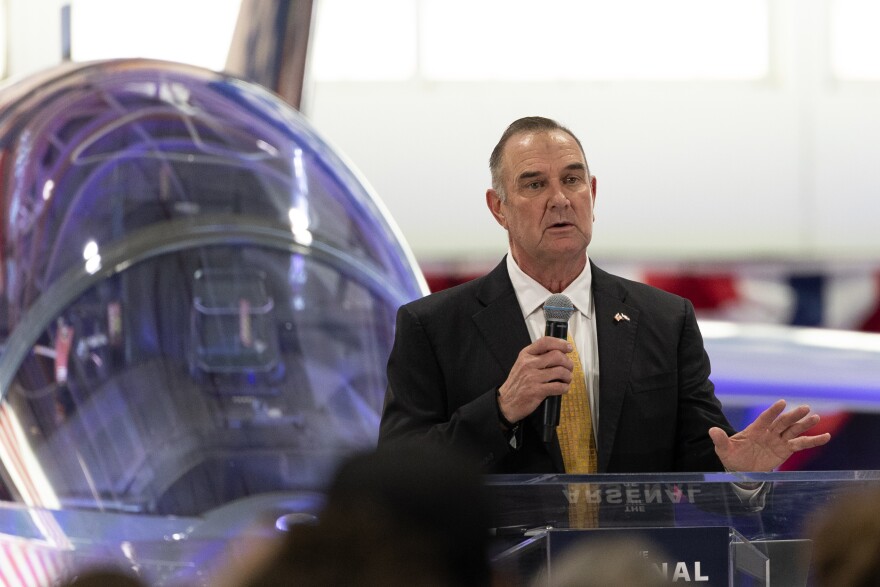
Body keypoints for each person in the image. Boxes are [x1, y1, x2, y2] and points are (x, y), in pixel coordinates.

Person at [378, 116, 830, 475]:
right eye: (535, 184)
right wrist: (500, 409)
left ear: (592, 194)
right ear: (498, 207)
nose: (560, 199)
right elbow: (398, 473)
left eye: (573, 180)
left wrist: (736, 470)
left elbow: (698, 455)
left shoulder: (665, 320)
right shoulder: (433, 327)